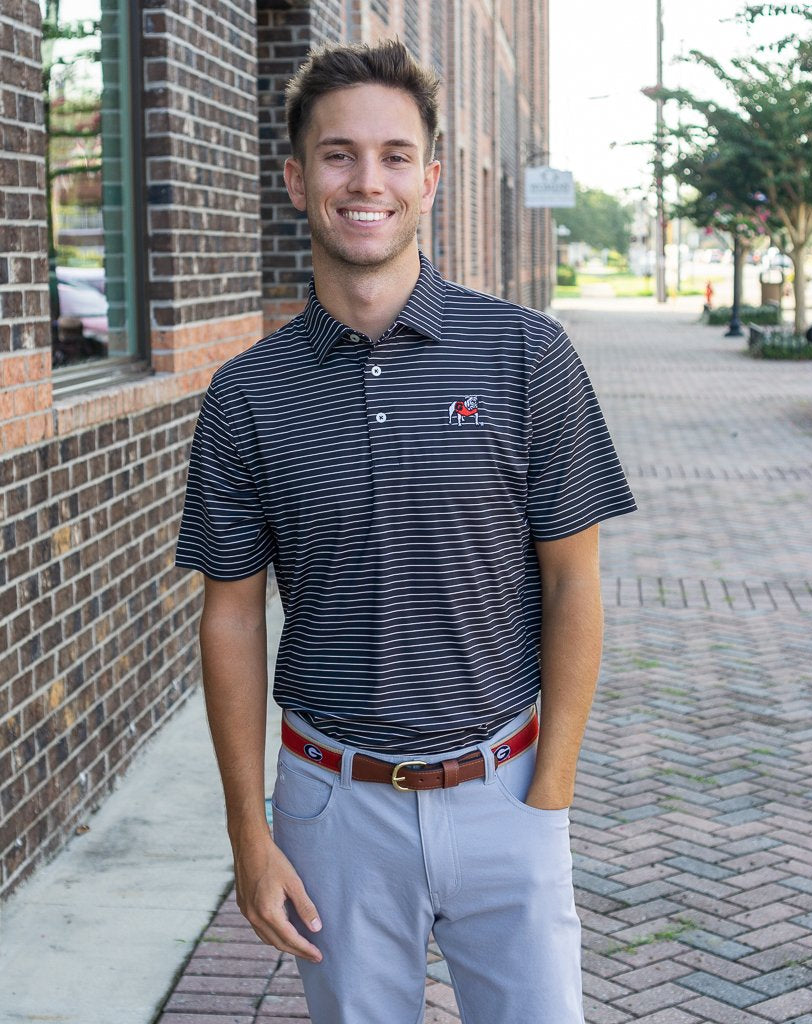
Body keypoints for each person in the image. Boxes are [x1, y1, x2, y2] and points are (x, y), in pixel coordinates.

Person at [175, 38, 637, 1024]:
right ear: (297, 180)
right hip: (330, 803)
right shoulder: (247, 394)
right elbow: (231, 616)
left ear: (429, 178)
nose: (365, 179)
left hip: (505, 784)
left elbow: (574, 582)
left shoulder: (526, 354)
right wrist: (250, 836)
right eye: (338, 155)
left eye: (393, 155)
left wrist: (547, 793)